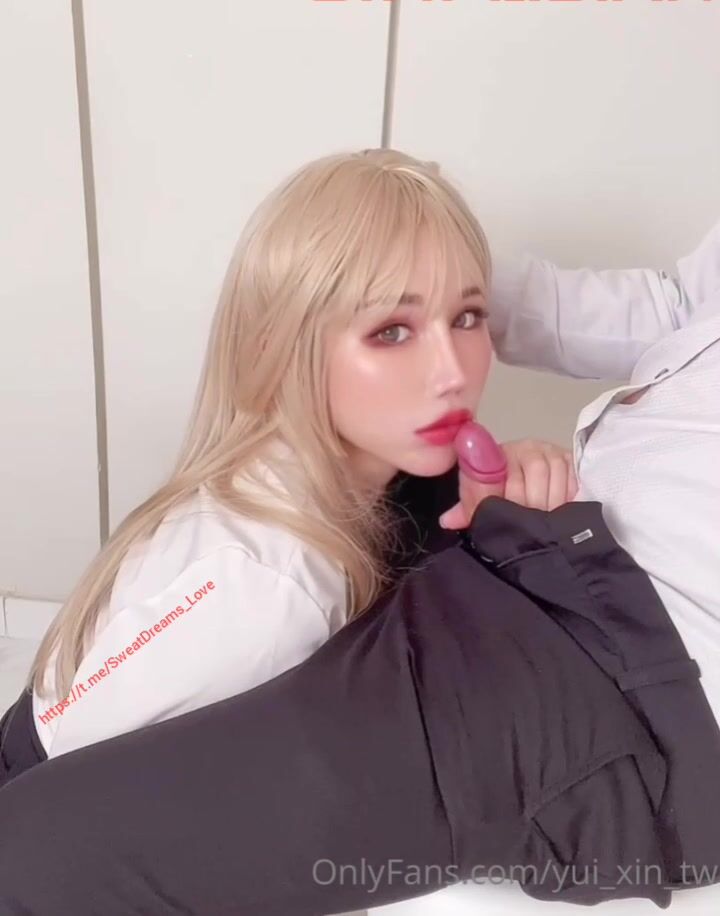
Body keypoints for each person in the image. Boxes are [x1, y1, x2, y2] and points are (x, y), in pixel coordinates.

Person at [0, 150, 719, 914]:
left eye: (467, 317)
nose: (452, 370)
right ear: (283, 343)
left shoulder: (386, 489)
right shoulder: (268, 579)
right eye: (392, 331)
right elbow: (83, 783)